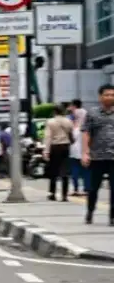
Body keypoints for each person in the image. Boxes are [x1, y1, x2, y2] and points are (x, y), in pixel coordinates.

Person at [81, 85, 114, 224]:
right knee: (93, 188)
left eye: (112, 95)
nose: (110, 97)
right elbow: (86, 133)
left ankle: (112, 217)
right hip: (97, 156)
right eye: (107, 95)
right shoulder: (92, 113)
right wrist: (85, 152)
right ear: (100, 97)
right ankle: (90, 211)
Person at [43, 105, 74, 201]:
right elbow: (71, 134)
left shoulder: (50, 122)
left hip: (55, 147)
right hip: (66, 146)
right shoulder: (68, 121)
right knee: (65, 171)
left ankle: (52, 194)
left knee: (54, 171)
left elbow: (48, 137)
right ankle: (64, 196)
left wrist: (46, 151)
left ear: (54, 112)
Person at [69, 99, 89, 196]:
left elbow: (72, 131)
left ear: (74, 106)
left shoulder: (74, 115)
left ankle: (76, 189)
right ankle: (86, 189)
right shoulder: (86, 113)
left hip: (74, 148)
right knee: (86, 170)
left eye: (71, 106)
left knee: (75, 170)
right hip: (85, 148)